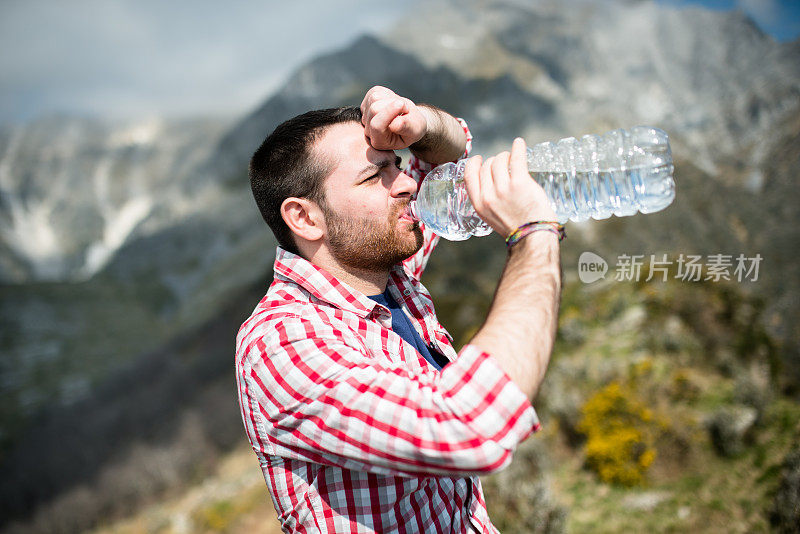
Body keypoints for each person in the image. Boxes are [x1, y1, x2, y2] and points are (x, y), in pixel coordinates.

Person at [235, 85, 562, 533]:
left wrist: (417, 123)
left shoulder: (389, 274)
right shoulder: (280, 342)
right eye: (375, 177)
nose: (408, 184)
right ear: (306, 218)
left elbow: (452, 151)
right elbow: (467, 428)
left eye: (398, 166)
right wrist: (534, 234)